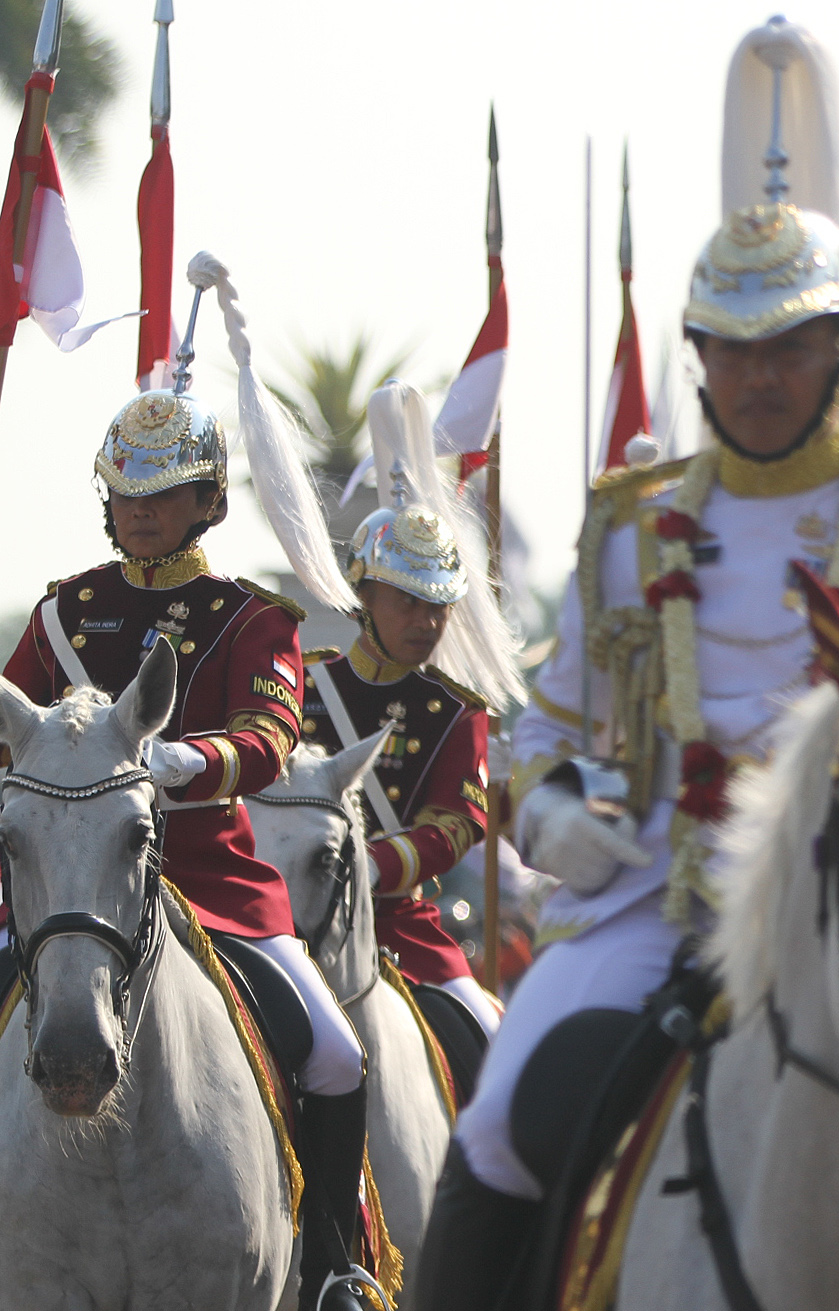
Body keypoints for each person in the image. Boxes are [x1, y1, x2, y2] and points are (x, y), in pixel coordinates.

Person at [411, 22, 839, 1308]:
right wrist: (545, 813)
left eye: (790, 346)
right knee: (496, 1126)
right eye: (732, 349)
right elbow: (544, 728)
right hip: (657, 898)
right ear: (696, 358)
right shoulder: (633, 525)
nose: (759, 377)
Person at [3, 254, 380, 1309]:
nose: (137, 513)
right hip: (63, 889)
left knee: (336, 1054)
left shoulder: (252, 620)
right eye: (123, 495)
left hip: (212, 886)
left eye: (160, 496)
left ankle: (333, 1264)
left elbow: (269, 730)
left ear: (206, 499)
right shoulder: (60, 617)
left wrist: (194, 760)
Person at [297, 382, 524, 1036]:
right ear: (365, 593)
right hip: (295, 911)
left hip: (397, 918)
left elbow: (458, 821)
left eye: (439, 604)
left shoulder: (454, 711)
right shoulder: (309, 687)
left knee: (487, 1034)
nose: (428, 621)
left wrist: (373, 863)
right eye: (409, 601)